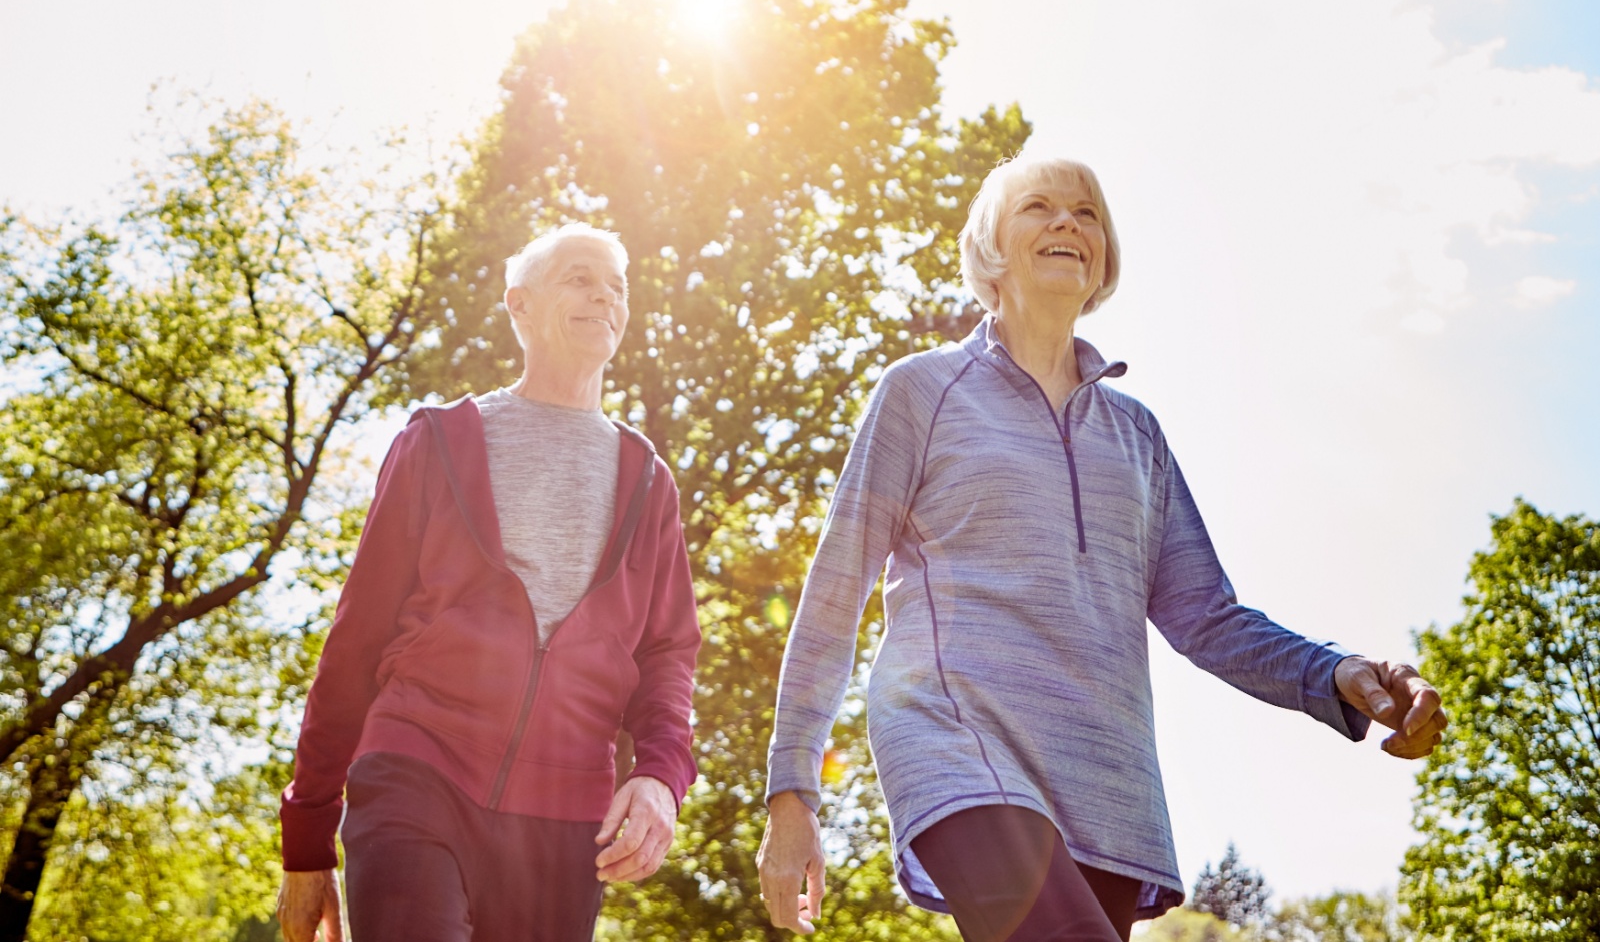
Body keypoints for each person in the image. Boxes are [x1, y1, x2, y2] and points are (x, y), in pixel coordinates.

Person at [757, 156, 1448, 942]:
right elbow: (836, 589)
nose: (1066, 223)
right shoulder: (921, 393)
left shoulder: (1137, 433)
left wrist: (1339, 673)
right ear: (990, 248)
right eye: (1039, 208)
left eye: (1085, 213)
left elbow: (1207, 616)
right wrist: (792, 795)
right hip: (959, 746)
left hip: (1109, 790)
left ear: (1103, 257)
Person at [276, 223, 701, 942]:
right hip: (419, 771)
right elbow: (357, 638)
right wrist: (308, 835)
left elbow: (666, 656)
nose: (603, 294)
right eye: (577, 277)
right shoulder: (440, 441)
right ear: (521, 306)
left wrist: (660, 776)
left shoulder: (648, 481)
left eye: (617, 286)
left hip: (566, 821)